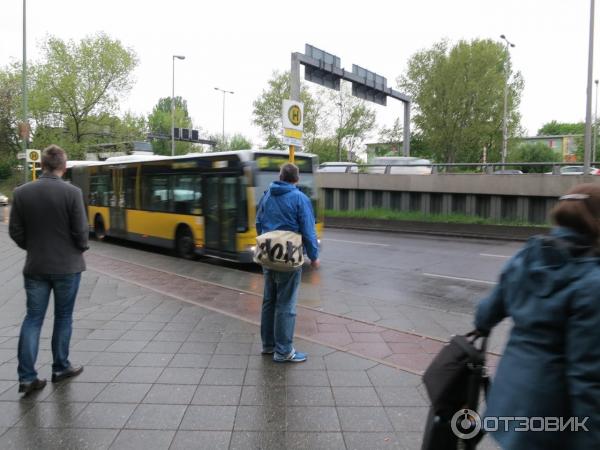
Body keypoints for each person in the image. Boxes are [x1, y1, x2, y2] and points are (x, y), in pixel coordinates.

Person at [474, 183, 600, 449]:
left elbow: (485, 315)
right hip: (553, 415)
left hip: (508, 398)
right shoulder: (592, 282)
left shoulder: (528, 255)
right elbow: (587, 375)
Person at [9, 145, 88, 395]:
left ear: (42, 165)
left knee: (33, 319)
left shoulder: (21, 193)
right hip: (68, 267)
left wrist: (32, 247)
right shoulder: (72, 193)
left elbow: (15, 231)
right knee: (63, 317)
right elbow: (81, 231)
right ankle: (60, 367)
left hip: (36, 266)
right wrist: (79, 247)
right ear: (63, 167)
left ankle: (27, 377)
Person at [256, 163, 320, 363]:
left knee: (269, 300)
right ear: (297, 179)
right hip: (289, 256)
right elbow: (308, 230)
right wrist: (314, 255)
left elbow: (258, 223)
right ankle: (284, 351)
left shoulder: (267, 195)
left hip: (269, 255)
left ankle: (268, 345)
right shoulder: (300, 198)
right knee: (286, 304)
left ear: (280, 176)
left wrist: (268, 242)